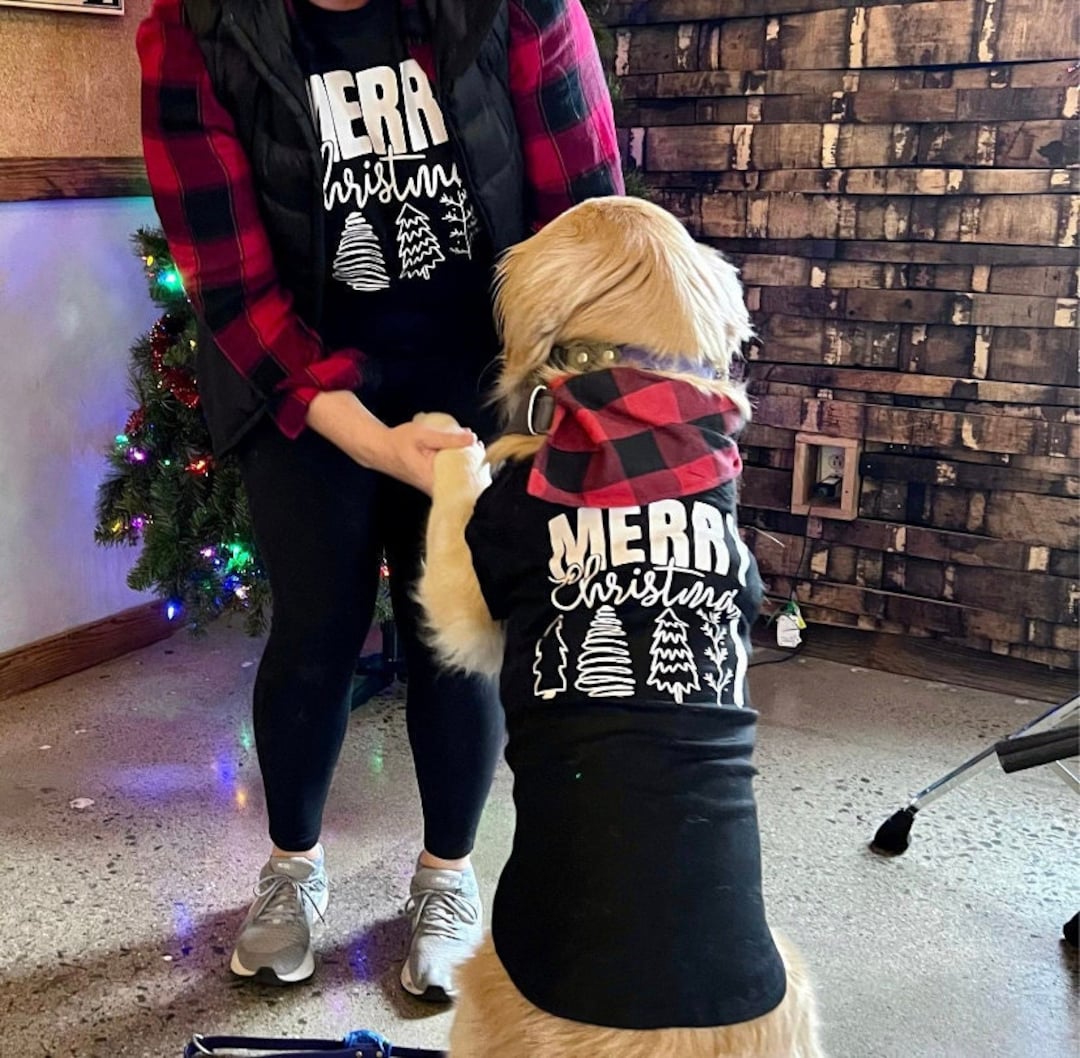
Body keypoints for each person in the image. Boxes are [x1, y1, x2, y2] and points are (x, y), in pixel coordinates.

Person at [136, 0, 623, 998]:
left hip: (479, 372)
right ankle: (292, 868)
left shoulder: (521, 9)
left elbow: (587, 232)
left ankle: (447, 876)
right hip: (306, 379)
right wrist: (370, 438)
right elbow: (233, 288)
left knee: (455, 633)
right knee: (315, 626)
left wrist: (540, 416)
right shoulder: (196, 30)